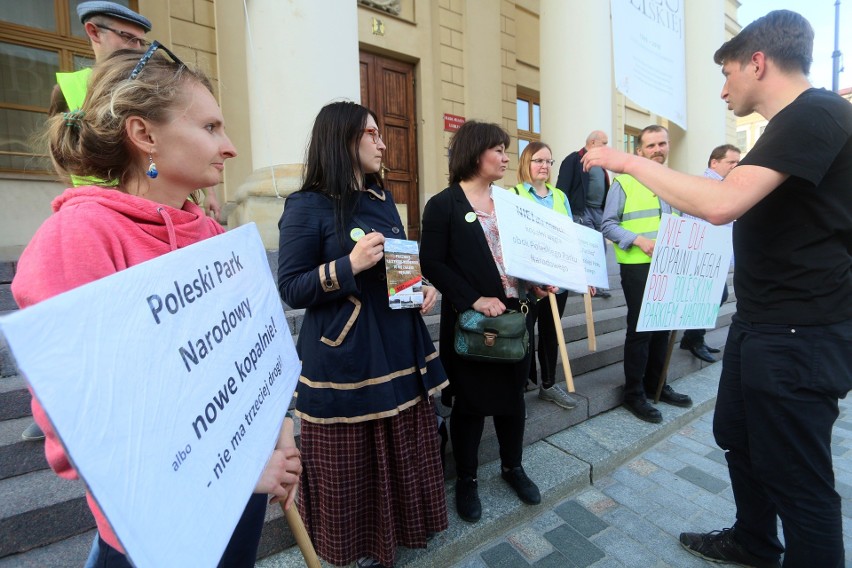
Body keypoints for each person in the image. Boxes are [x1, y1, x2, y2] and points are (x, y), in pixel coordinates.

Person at [11, 48, 302, 568]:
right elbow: (84, 432)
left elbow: (256, 359)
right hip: (161, 530)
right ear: (144, 135)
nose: (230, 147)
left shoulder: (215, 234)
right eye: (211, 127)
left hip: (245, 496)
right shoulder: (77, 238)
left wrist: (277, 440)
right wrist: (233, 469)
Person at [583, 10, 852, 567]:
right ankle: (754, 541)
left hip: (800, 333)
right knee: (738, 434)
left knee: (799, 479)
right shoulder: (794, 123)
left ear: (759, 62)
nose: (723, 88)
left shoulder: (815, 112)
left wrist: (627, 160)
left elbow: (720, 204)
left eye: (728, 73)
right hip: (764, 324)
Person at [277, 101, 449, 568]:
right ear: (343, 139)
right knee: (351, 470)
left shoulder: (381, 199)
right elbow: (290, 286)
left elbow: (399, 273)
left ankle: (390, 541)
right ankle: (351, 549)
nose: (382, 141)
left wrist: (421, 288)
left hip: (398, 348)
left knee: (399, 455)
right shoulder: (306, 205)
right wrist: (346, 266)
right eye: (371, 134)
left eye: (379, 133)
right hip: (346, 359)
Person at [20, 1, 153, 445]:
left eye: (140, 41)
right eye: (126, 38)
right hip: (102, 224)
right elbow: (67, 149)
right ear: (94, 33)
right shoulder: (71, 89)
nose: (135, 48)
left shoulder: (152, 81)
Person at [420, 120, 546, 525]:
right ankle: (468, 478)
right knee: (470, 406)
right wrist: (473, 298)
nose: (507, 157)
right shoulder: (443, 204)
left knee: (513, 401)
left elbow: (525, 254)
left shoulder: (510, 202)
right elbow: (432, 262)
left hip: (515, 317)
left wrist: (536, 283)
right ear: (475, 153)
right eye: (499, 149)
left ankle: (513, 467)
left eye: (506, 150)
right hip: (471, 324)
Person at [600, 125, 693, 424]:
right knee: (641, 330)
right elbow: (607, 224)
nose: (657, 150)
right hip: (638, 265)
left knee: (662, 328)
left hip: (669, 264)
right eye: (650, 145)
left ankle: (657, 384)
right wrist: (639, 240)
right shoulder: (624, 182)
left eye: (662, 144)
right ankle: (634, 393)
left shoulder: (673, 181)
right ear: (639, 150)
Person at [511, 141, 584, 410]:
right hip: (529, 284)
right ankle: (519, 387)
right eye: (538, 160)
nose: (544, 166)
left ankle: (549, 385)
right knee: (525, 333)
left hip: (558, 282)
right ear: (526, 163)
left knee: (551, 332)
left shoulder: (560, 196)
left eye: (548, 161)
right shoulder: (515, 194)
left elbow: (570, 237)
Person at [678, 144, 740, 364]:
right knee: (709, 297)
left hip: (717, 254)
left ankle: (693, 337)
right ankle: (693, 338)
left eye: (737, 162)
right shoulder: (705, 186)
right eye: (730, 162)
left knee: (714, 296)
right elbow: (694, 220)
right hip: (703, 254)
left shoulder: (724, 187)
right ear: (714, 162)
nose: (735, 166)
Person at [555, 130, 612, 298]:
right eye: (604, 142)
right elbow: (562, 188)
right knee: (589, 248)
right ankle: (587, 284)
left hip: (598, 211)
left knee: (600, 247)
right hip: (581, 211)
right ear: (593, 142)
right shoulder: (573, 159)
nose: (606, 146)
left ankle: (595, 283)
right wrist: (565, 214)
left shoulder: (599, 164)